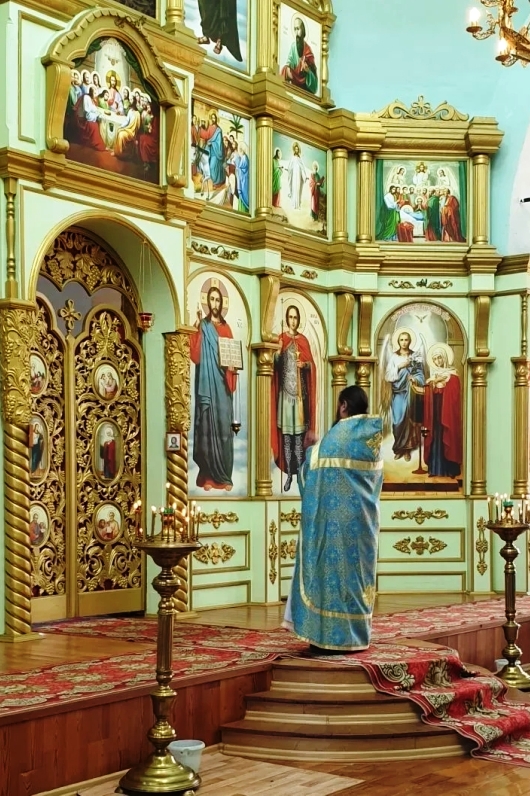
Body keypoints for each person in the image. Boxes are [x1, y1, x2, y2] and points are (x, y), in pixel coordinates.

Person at [283, 386, 384, 653]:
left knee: (334, 580)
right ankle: (357, 636)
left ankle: (331, 638)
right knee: (357, 580)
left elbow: (310, 472)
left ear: (343, 406)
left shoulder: (338, 435)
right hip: (365, 524)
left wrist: (310, 448)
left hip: (335, 526)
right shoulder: (371, 437)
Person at [190, 285, 237, 491]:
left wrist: (233, 366)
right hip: (207, 384)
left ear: (221, 303)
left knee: (224, 426)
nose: (215, 304)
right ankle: (208, 476)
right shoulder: (203, 325)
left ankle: (225, 476)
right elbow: (195, 356)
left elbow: (232, 357)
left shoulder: (227, 329)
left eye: (218, 300)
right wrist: (195, 331)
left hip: (222, 385)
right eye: (212, 300)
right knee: (207, 428)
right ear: (208, 302)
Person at [272, 304, 316, 492]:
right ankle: (289, 474)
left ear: (299, 320)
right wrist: (277, 352)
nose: (292, 321)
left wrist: (304, 364)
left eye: (295, 317)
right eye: (290, 317)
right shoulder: (281, 339)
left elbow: (312, 365)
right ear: (286, 319)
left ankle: (299, 472)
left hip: (299, 397)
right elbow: (274, 365)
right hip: (285, 396)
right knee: (287, 439)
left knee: (298, 438)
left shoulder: (303, 340)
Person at [384, 330, 425, 461]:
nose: (404, 342)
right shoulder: (394, 357)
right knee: (397, 422)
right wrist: (400, 366)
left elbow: (421, 375)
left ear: (410, 341)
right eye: (401, 340)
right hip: (398, 392)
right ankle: (399, 448)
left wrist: (415, 379)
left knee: (409, 419)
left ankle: (407, 449)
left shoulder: (415, 356)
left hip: (410, 392)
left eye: (406, 340)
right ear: (398, 341)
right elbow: (388, 376)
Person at [422, 345, 462, 478]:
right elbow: (428, 387)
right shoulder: (434, 375)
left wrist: (445, 382)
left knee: (447, 436)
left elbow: (455, 391)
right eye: (435, 359)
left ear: (444, 358)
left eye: (439, 358)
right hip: (435, 412)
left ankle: (450, 470)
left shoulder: (452, 374)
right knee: (436, 437)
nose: (438, 361)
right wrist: (434, 383)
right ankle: (435, 469)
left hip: (447, 412)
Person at [281, 16, 318, 95]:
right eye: (295, 29)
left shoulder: (308, 50)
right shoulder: (293, 46)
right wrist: (288, 67)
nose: (296, 33)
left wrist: (307, 71)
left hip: (304, 79)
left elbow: (313, 72)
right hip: (294, 76)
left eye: (298, 29)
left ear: (303, 30)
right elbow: (290, 61)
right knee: (284, 69)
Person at [198, 112, 225, 188]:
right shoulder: (209, 127)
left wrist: (212, 143)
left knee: (212, 167)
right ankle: (209, 181)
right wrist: (200, 129)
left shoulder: (219, 130)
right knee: (205, 164)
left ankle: (216, 182)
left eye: (214, 118)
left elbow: (219, 142)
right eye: (212, 118)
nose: (213, 119)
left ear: (216, 119)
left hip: (216, 152)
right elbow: (206, 135)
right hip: (209, 150)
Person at [287, 142, 308, 210]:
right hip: (294, 176)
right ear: (294, 150)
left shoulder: (299, 159)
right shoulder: (292, 158)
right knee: (294, 188)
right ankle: (294, 205)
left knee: (298, 189)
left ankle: (298, 205)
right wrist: (288, 170)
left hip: (298, 176)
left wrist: (304, 176)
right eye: (295, 149)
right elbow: (290, 167)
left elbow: (302, 168)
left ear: (298, 150)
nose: (296, 150)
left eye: (297, 149)